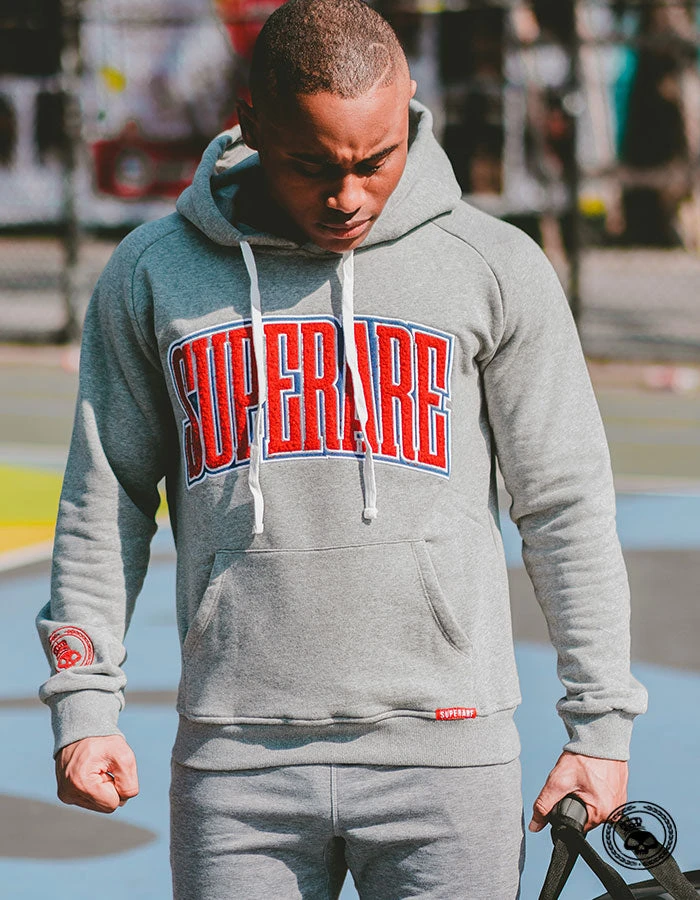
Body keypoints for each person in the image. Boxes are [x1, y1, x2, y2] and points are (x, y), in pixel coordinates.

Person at [37, 1, 647, 897]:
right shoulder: (153, 272)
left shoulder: (493, 265)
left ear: (410, 107)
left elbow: (565, 505)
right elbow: (107, 500)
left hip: (450, 751)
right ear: (250, 122)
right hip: (235, 761)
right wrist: (85, 703)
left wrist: (601, 726)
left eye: (376, 160)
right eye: (313, 166)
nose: (349, 196)